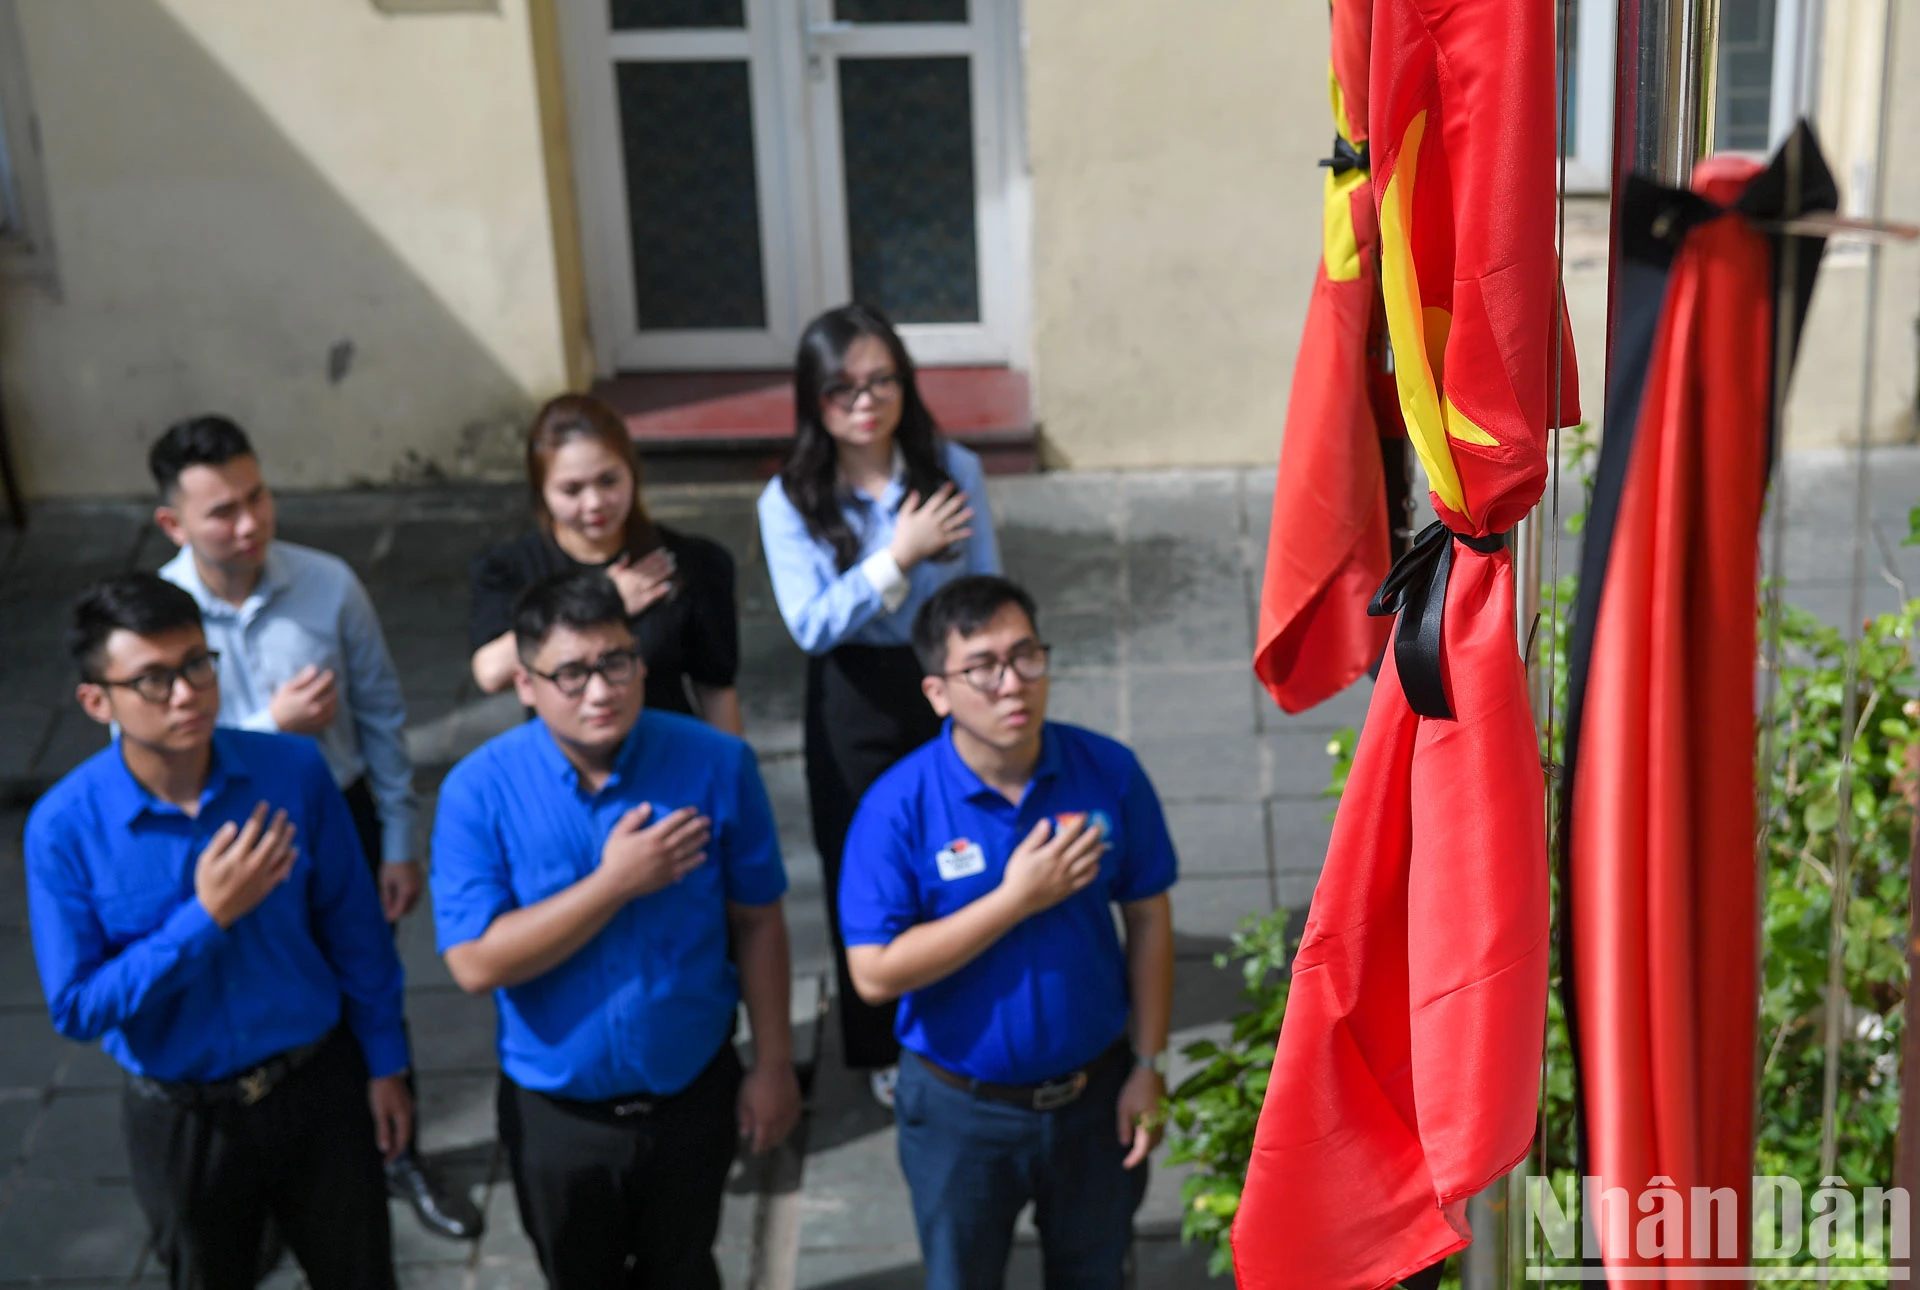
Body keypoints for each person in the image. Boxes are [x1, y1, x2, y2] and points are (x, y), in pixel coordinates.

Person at [146, 414, 482, 1241]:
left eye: (257, 496)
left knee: (370, 978)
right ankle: (267, 1181)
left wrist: (400, 839)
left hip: (339, 816)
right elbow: (141, 754)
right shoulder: (156, 618)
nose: (250, 522)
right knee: (250, 994)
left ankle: (396, 1150)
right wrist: (269, 727)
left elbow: (381, 716)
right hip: (216, 842)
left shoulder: (329, 583)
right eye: (222, 510)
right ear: (174, 525)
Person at [23, 573, 411, 1290]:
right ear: (95, 700)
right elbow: (78, 1005)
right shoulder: (63, 828)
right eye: (153, 680)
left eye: (198, 664)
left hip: (316, 1088)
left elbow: (354, 927)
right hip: (184, 1116)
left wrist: (387, 1062)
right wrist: (206, 918)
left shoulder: (291, 769)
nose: (186, 693)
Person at [429, 570, 800, 1290]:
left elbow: (759, 921)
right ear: (526, 684)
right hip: (558, 1115)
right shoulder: (479, 791)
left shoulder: (715, 762)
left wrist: (775, 1063)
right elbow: (474, 962)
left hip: (692, 1094)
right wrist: (613, 884)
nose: (600, 692)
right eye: (571, 673)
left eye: (615, 663)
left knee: (686, 1268)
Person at [839, 575, 1177, 1290]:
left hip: (1095, 1098)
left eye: (1026, 656)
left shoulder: (1107, 771)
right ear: (937, 693)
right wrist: (1016, 899)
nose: (1012, 684)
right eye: (982, 668)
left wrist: (1147, 1065)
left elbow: (1147, 917)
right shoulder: (896, 807)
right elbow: (873, 973)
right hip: (960, 1115)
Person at [758, 303, 1002, 1106]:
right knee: (864, 857)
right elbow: (811, 623)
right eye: (842, 388)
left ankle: (963, 1001)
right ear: (813, 399)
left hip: (940, 678)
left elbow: (982, 588)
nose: (864, 401)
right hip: (852, 693)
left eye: (881, 381)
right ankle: (879, 1043)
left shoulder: (953, 469)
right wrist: (896, 557)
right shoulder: (791, 499)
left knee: (960, 838)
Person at [469, 392, 741, 733]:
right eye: (572, 490)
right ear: (543, 492)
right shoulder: (511, 568)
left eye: (608, 481)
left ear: (632, 473)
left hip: (667, 757)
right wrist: (603, 597)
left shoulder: (689, 562)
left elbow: (715, 688)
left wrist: (735, 776)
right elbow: (491, 673)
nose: (595, 503)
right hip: (563, 768)